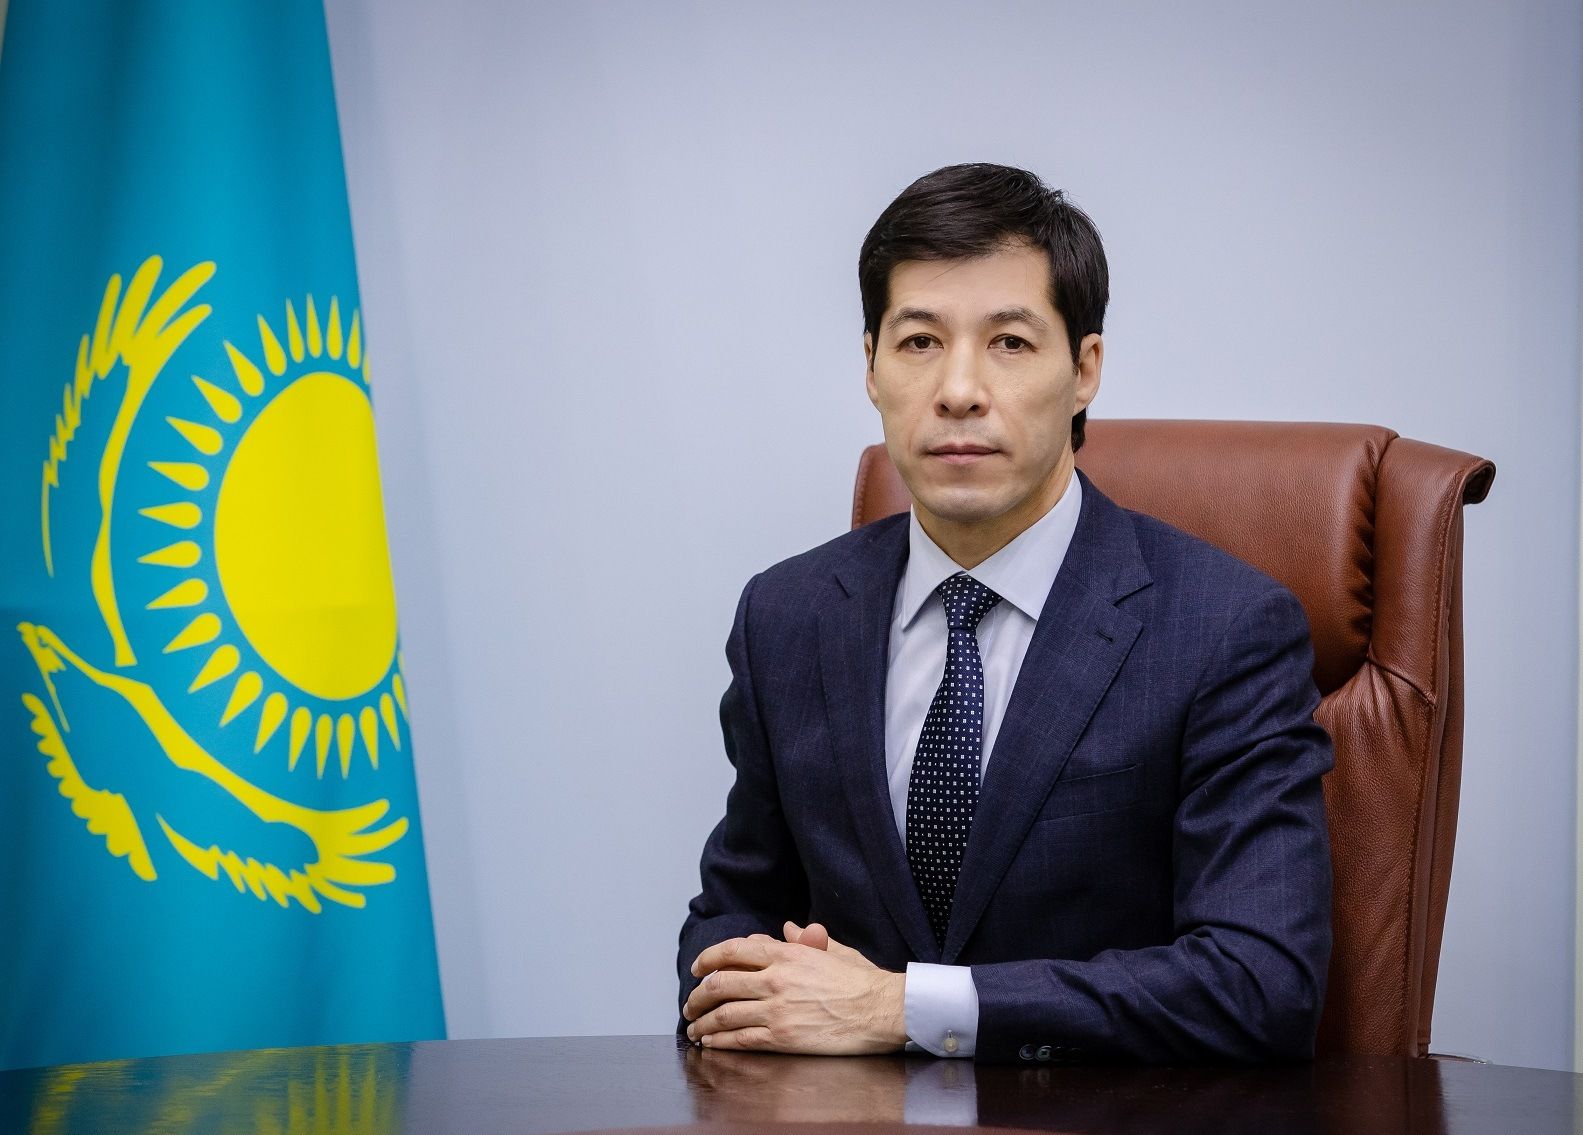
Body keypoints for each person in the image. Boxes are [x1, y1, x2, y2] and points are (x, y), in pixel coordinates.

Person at [676, 163, 1333, 1064]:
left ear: (1084, 369)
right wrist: (746, 981)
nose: (958, 389)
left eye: (1010, 343)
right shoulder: (786, 616)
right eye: (917, 341)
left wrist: (902, 1006)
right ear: (869, 366)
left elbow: (1258, 982)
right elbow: (733, 908)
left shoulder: (1223, 628)